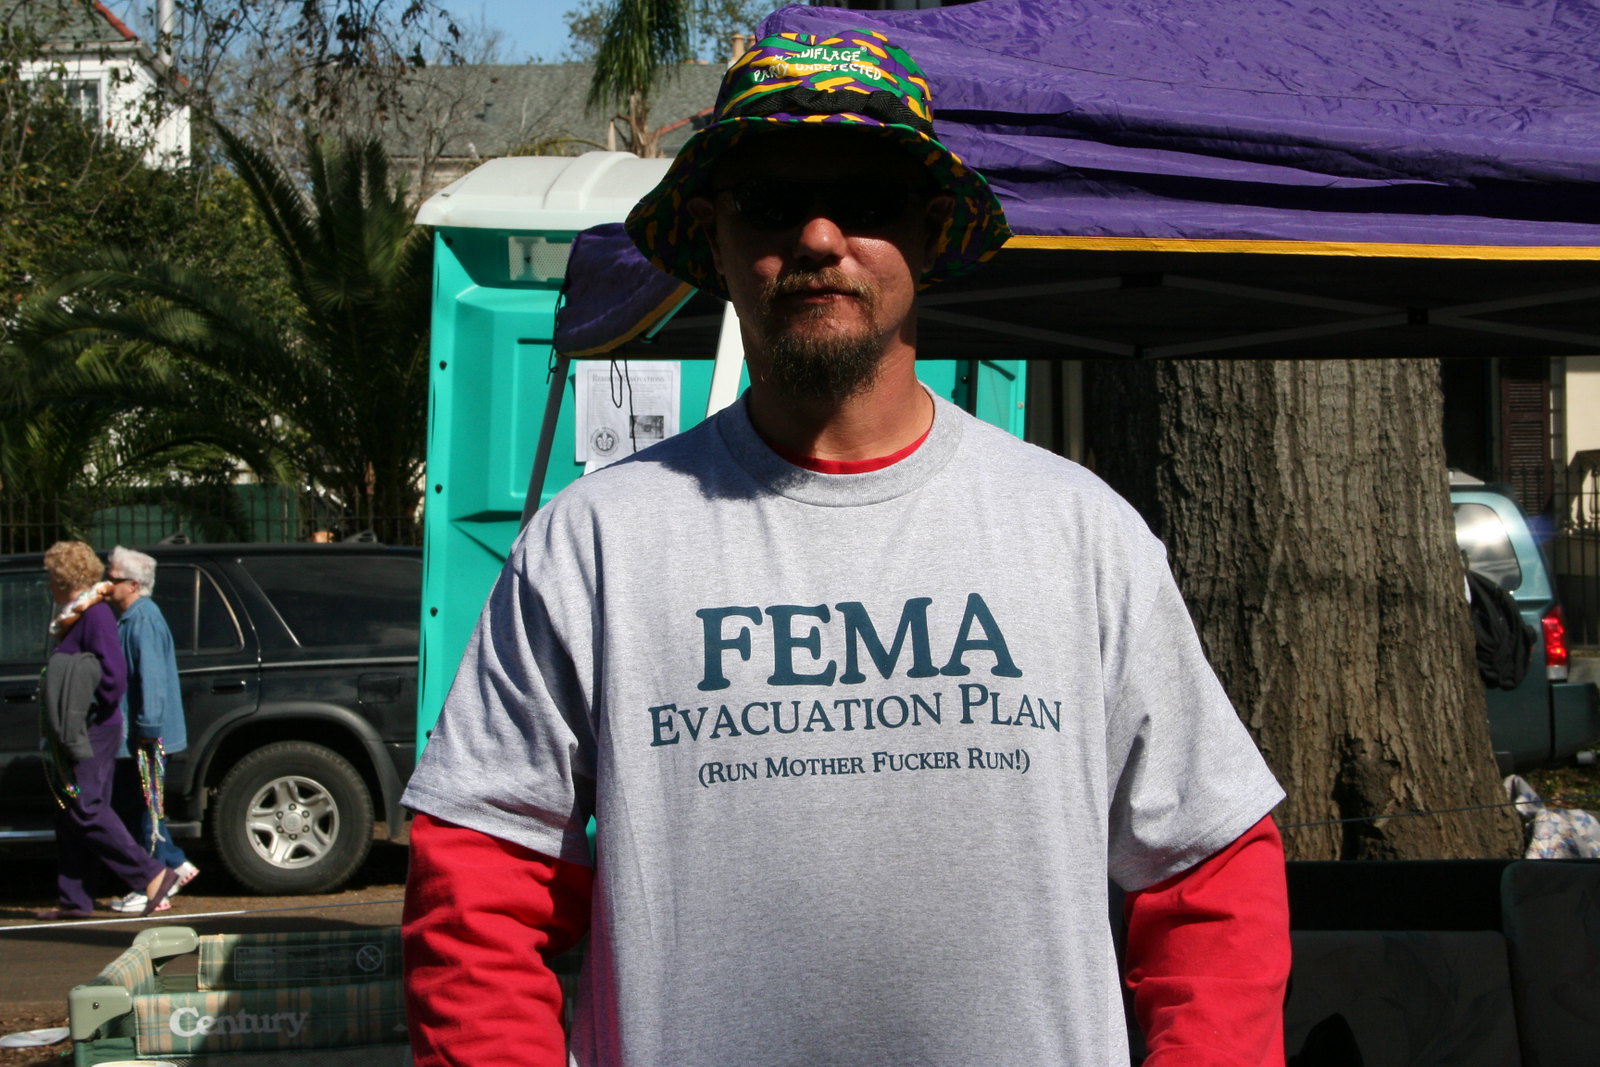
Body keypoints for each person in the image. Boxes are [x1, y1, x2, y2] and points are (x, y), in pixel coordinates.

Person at [403, 28, 1290, 1067]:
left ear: (925, 234)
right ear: (719, 238)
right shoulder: (595, 544)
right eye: (772, 203)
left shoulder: (1078, 533)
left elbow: (1209, 872)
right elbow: (479, 885)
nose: (820, 237)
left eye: (864, 199)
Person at [36, 541, 181, 920]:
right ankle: (74, 900)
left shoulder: (95, 615)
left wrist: (85, 707)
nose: (48, 583)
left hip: (93, 729)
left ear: (64, 578)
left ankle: (152, 874)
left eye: (51, 575)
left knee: (86, 807)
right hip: (79, 729)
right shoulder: (76, 614)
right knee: (69, 810)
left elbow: (113, 676)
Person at [104, 546, 200, 913]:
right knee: (139, 806)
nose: (106, 583)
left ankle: (156, 883)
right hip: (141, 735)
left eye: (112, 577)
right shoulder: (133, 617)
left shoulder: (142, 619)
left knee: (144, 809)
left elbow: (151, 679)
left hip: (146, 736)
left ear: (132, 583)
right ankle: (172, 863)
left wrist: (147, 727)